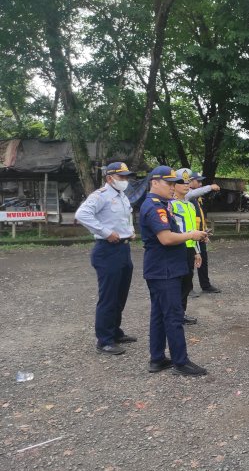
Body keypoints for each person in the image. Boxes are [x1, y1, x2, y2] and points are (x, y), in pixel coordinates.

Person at [139, 165, 208, 376]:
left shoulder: (163, 204)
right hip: (164, 270)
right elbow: (166, 238)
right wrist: (191, 235)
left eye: (173, 183)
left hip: (162, 268)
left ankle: (157, 358)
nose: (172, 187)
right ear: (154, 183)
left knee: (159, 314)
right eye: (168, 183)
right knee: (173, 315)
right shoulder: (155, 207)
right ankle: (180, 362)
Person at [75, 161, 137, 355]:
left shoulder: (122, 196)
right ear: (110, 178)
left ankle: (115, 332)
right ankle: (104, 340)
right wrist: (105, 232)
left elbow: (127, 217)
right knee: (108, 297)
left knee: (120, 295)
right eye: (121, 177)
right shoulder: (101, 196)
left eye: (126, 177)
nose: (125, 180)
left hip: (123, 249)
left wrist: (131, 230)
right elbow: (82, 214)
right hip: (107, 250)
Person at [171, 168, 202, 324]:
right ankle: (174, 314)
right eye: (182, 182)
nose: (186, 185)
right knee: (176, 283)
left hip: (190, 249)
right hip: (177, 249)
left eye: (188, 182)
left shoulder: (190, 205)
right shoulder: (170, 205)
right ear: (174, 185)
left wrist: (197, 251)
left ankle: (181, 314)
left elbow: (193, 231)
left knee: (187, 283)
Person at [186, 172, 221, 294]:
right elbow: (193, 193)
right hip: (190, 236)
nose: (200, 184)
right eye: (198, 181)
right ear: (190, 181)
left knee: (203, 261)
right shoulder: (187, 195)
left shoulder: (197, 198)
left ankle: (205, 285)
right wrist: (210, 187)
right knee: (189, 262)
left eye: (201, 182)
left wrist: (204, 230)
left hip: (200, 234)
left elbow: (199, 216)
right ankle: (188, 288)